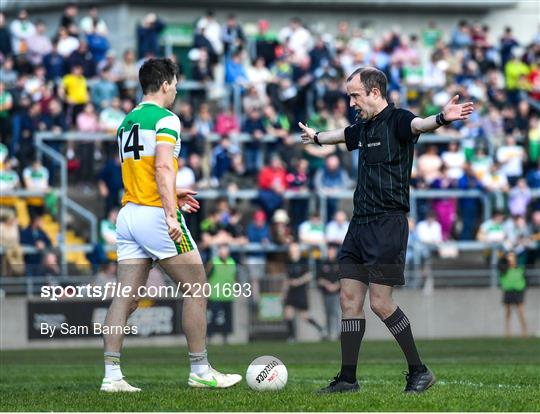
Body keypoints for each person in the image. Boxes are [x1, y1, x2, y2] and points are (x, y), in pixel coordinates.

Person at [299, 66, 473, 394]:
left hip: (388, 224)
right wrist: (318, 138)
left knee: (380, 303)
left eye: (355, 95)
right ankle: (348, 379)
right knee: (349, 299)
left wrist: (442, 118)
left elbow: (418, 124)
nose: (351, 101)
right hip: (359, 224)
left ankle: (419, 370)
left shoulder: (398, 120)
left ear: (375, 92)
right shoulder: (363, 127)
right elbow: (342, 135)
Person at [101, 58, 241, 392]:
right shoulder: (167, 118)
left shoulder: (127, 121)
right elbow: (163, 167)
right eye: (175, 83)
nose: (176, 89)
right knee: (197, 288)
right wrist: (168, 211)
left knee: (124, 298)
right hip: (154, 215)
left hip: (129, 213)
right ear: (165, 84)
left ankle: (112, 376)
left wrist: (172, 194)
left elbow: (143, 171)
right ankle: (200, 370)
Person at [283, 243, 324, 342]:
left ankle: (321, 329)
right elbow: (286, 278)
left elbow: (309, 275)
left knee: (304, 316)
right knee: (288, 314)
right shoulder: (288, 262)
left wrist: (298, 281)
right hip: (291, 291)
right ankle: (291, 337)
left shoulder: (303, 261)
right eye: (291, 249)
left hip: (301, 291)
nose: (293, 250)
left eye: (295, 248)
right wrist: (283, 292)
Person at [206, 244, 237, 344]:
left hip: (228, 296)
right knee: (213, 318)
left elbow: (234, 277)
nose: (224, 253)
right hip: (215, 295)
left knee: (227, 318)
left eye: (226, 251)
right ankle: (209, 337)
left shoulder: (232, 262)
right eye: (222, 251)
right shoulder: (213, 262)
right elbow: (206, 276)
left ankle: (226, 338)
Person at [499, 251, 527, 337]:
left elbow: (523, 278)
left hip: (518, 291)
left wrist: (522, 286)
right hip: (508, 291)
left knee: (521, 312)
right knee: (507, 312)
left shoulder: (520, 268)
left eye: (512, 256)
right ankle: (508, 332)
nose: (510, 258)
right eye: (509, 256)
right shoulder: (504, 268)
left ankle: (524, 332)